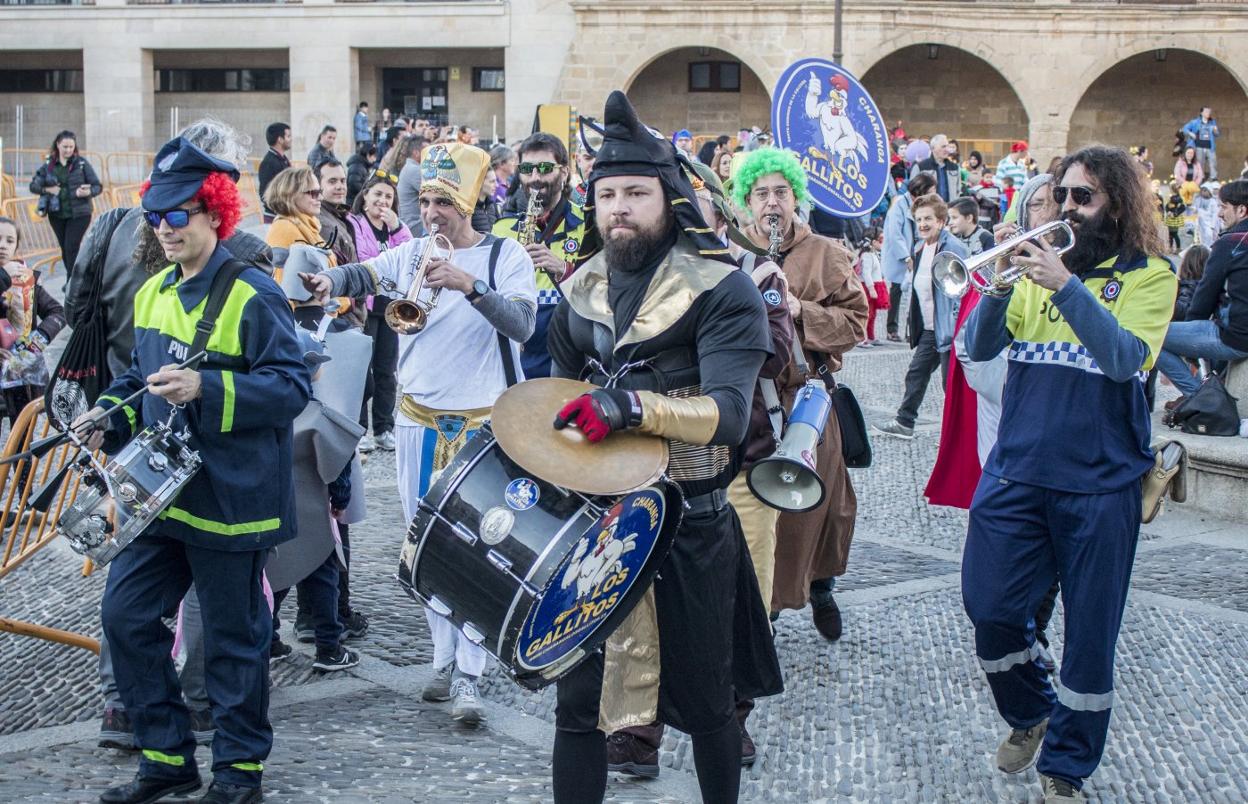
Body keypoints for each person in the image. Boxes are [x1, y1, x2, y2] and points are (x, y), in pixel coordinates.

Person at [544, 91, 782, 804]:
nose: (619, 207)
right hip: (598, 523)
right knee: (576, 704)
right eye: (607, 193)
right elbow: (557, 402)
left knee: (709, 705)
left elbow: (732, 416)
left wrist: (627, 406)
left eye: (636, 192)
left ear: (669, 196)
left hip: (693, 521)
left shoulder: (723, 289)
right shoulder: (576, 293)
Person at [84, 135, 310, 804]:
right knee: (126, 618)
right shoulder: (153, 290)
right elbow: (135, 375)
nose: (164, 227)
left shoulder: (254, 293)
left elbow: (291, 386)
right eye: (156, 215)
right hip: (162, 497)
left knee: (234, 644)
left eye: (178, 214)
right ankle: (166, 757)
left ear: (216, 213)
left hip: (233, 497)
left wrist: (207, 389)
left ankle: (239, 773)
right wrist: (109, 412)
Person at [961, 145, 1177, 804]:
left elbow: (1122, 360)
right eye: (1063, 197)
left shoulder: (1151, 275)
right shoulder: (1030, 271)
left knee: (1089, 638)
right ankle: (1033, 708)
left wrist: (1068, 286)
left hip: (1102, 483)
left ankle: (1066, 768)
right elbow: (979, 348)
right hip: (1019, 472)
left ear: (1116, 203)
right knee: (989, 608)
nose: (1068, 210)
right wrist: (998, 286)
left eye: (1084, 198)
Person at [301, 142, 537, 728]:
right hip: (417, 420)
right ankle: (440, 657)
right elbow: (364, 271)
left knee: (481, 547)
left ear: (469, 203)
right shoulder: (409, 254)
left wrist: (468, 284)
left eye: (443, 203)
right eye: (426, 201)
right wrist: (330, 280)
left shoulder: (505, 257)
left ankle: (471, 674)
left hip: (483, 424)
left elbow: (525, 325)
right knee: (425, 543)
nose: (431, 214)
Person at [735, 146, 868, 641]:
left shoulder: (826, 253)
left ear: (796, 198)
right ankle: (761, 612)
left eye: (781, 192)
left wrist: (799, 312)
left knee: (821, 508)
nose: (771, 203)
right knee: (756, 511)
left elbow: (856, 324)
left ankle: (822, 588)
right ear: (747, 201)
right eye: (761, 193)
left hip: (807, 401)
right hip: (750, 402)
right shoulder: (728, 251)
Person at [492, 131, 587, 379]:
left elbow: (607, 290)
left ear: (564, 172)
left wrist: (563, 269)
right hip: (518, 351)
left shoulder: (589, 224)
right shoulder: (501, 230)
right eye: (527, 169)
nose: (535, 178)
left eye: (545, 168)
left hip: (569, 353)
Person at [873, 193, 967, 439]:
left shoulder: (954, 248)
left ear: (941, 221)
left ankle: (954, 436)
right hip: (929, 329)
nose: (923, 224)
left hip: (950, 329)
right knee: (916, 373)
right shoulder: (918, 249)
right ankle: (905, 422)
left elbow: (964, 291)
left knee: (951, 386)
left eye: (928, 219)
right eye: (918, 220)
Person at [1154, 179, 1248, 401]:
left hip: (1234, 337)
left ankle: (1200, 396)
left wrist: (1190, 348)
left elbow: (1205, 295)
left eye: (1224, 207)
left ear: (1242, 210)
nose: (1219, 214)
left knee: (1148, 336)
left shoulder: (1231, 244)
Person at [349, 172, 412, 453]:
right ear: (365, 197)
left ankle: (384, 428)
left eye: (388, 196)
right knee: (362, 370)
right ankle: (359, 428)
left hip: (391, 307)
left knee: (388, 371)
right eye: (377, 195)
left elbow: (411, 254)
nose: (382, 201)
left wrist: (397, 227)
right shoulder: (355, 224)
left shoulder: (394, 228)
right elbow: (365, 260)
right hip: (366, 307)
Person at [0, 216, 64, 426]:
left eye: (9, 241)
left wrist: (35, 343)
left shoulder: (27, 280)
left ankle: (21, 461)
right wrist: (3, 276)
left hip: (20, 372)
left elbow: (58, 313)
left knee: (21, 437)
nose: (2, 246)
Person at [28, 130, 102, 279]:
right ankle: (74, 280)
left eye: (71, 147)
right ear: (58, 145)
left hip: (80, 213)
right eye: (65, 147)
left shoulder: (81, 163)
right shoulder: (49, 165)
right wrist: (47, 189)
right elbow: (33, 186)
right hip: (56, 214)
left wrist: (87, 192)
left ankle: (74, 282)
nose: (68, 150)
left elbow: (97, 186)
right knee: (65, 248)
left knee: (71, 247)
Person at [881, 173, 937, 342]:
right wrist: (906, 257)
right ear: (920, 190)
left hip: (918, 250)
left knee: (917, 289)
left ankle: (912, 328)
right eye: (931, 190)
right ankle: (892, 328)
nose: (933, 193)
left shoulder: (924, 205)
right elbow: (894, 234)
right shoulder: (899, 205)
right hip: (901, 255)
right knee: (897, 290)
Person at [257, 122, 292, 224]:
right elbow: (264, 194)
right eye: (288, 136)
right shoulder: (269, 163)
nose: (291, 139)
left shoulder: (283, 159)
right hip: (275, 218)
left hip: (285, 214)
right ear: (280, 139)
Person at [858, 227, 887, 345]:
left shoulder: (873, 254)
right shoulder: (867, 256)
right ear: (873, 242)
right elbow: (866, 273)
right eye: (881, 240)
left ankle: (870, 336)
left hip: (875, 285)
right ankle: (862, 337)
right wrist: (871, 288)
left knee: (873, 314)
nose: (883, 243)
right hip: (869, 287)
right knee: (867, 313)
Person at [911, 134, 962, 202]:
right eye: (943, 147)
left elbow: (958, 191)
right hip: (928, 209)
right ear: (933, 148)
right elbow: (912, 191)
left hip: (949, 209)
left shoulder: (955, 168)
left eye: (947, 146)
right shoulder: (920, 167)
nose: (947, 149)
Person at [1183, 107, 1220, 180]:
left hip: (1210, 146)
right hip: (1199, 146)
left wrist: (1215, 130)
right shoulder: (1195, 122)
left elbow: (1217, 134)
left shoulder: (1212, 122)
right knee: (1200, 163)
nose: (1208, 113)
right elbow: (1185, 128)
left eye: (1209, 112)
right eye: (1206, 111)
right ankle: (1201, 177)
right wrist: (1190, 133)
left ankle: (1213, 177)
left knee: (1213, 162)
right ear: (1201, 113)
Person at [345, 142, 377, 207]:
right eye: (374, 156)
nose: (375, 159)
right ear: (368, 155)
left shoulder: (363, 165)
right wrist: (367, 191)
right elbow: (354, 184)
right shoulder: (357, 166)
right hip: (354, 202)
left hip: (357, 200)